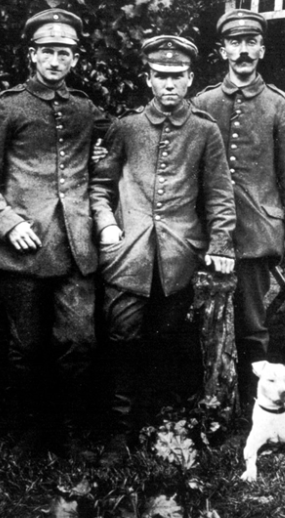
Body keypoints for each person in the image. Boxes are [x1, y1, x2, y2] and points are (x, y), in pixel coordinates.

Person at [0, 8, 108, 453]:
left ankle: (68, 432)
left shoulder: (84, 108)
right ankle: (29, 432)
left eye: (64, 52)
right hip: (22, 248)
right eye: (47, 51)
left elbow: (119, 146)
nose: (55, 60)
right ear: (32, 55)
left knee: (79, 341)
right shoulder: (6, 108)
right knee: (26, 347)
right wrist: (7, 223)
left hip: (74, 246)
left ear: (74, 59)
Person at [90, 35, 236, 460]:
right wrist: (105, 225)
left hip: (177, 256)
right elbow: (99, 187)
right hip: (127, 255)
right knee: (122, 338)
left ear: (190, 79)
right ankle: (119, 432)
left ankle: (158, 428)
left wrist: (221, 241)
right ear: (148, 78)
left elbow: (219, 194)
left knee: (167, 340)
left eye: (177, 76)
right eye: (161, 76)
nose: (169, 84)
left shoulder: (205, 131)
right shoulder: (126, 127)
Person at [193, 9, 285, 400]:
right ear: (223, 49)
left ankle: (251, 408)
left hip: (258, 230)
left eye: (250, 43)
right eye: (235, 43)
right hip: (206, 231)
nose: (242, 51)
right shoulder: (203, 101)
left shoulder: (279, 105)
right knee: (202, 316)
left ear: (261, 49)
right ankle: (208, 401)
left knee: (252, 323)